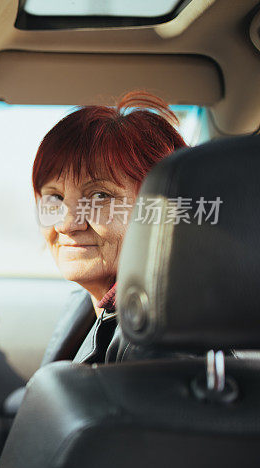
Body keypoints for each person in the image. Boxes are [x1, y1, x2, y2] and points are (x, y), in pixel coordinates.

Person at [33, 92, 187, 364]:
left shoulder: (162, 349)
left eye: (100, 196)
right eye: (55, 197)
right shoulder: (93, 306)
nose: (66, 224)